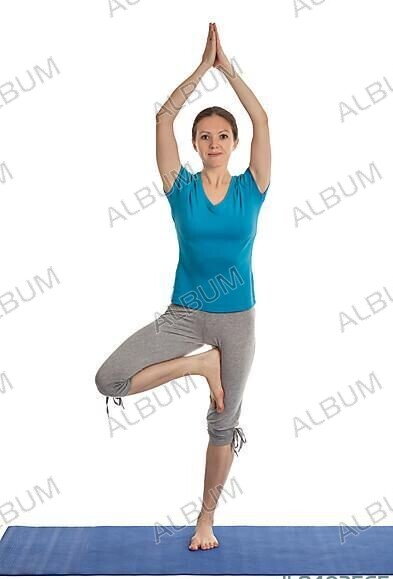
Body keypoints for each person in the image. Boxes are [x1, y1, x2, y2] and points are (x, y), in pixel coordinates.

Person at [95, 22, 271, 551]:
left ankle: (205, 520)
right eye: (204, 136)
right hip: (184, 315)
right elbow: (163, 116)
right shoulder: (180, 189)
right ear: (194, 144)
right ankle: (199, 365)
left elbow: (262, 118)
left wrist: (229, 70)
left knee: (224, 422)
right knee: (111, 380)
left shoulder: (253, 187)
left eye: (223, 136)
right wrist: (202, 69)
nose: (214, 143)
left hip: (237, 319)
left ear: (235, 144)